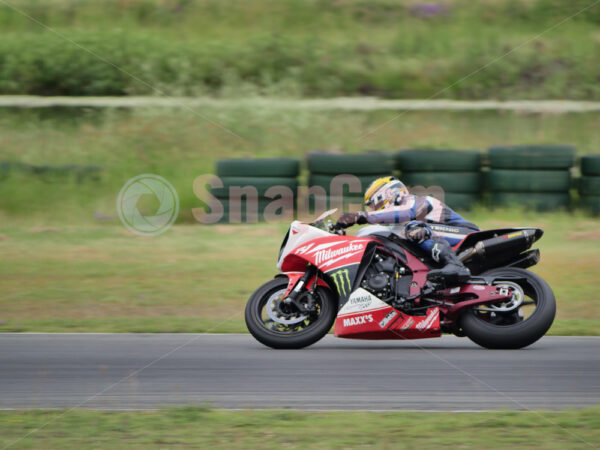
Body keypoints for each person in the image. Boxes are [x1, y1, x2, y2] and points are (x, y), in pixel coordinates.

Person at [335, 176, 479, 283]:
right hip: (447, 238)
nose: (376, 210)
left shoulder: (417, 201)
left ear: (389, 194)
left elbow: (406, 212)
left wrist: (361, 216)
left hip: (466, 234)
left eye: (376, 204)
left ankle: (455, 266)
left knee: (414, 229)